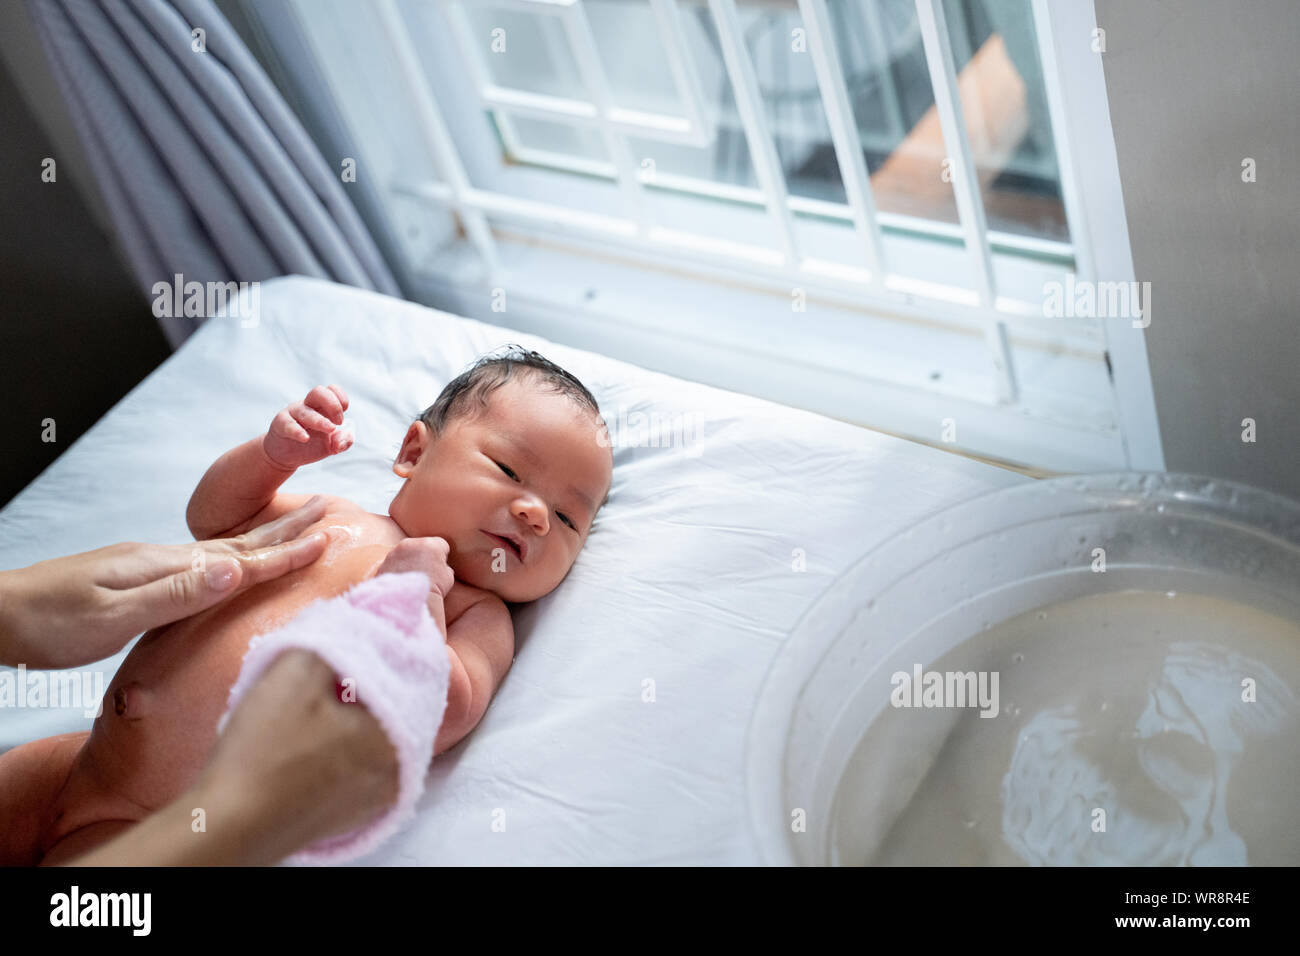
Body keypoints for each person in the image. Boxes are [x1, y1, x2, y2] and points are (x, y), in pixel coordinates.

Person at [0, 497, 415, 865]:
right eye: (484, 459)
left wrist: (424, 603)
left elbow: (452, 695)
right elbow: (218, 520)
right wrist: (273, 456)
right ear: (414, 451)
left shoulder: (461, 601)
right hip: (80, 759)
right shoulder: (331, 512)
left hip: (151, 823)